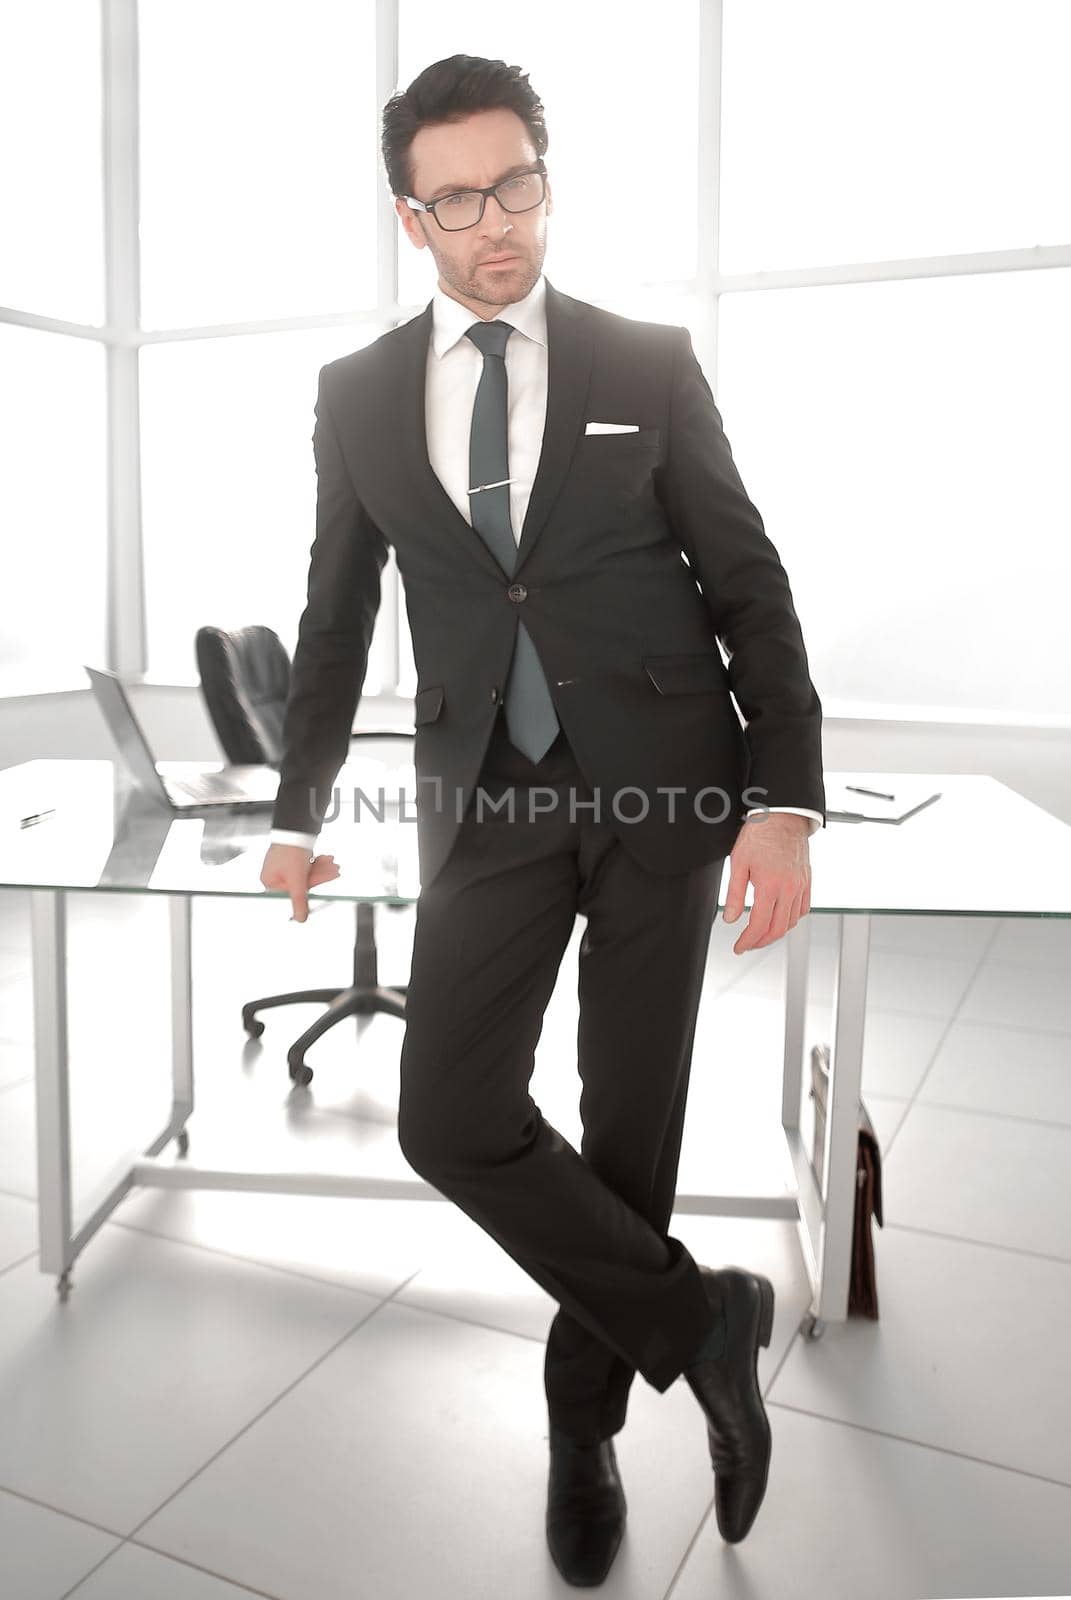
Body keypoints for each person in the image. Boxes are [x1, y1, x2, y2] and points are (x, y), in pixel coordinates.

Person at [260, 54, 825, 1588]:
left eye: (516, 185)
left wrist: (784, 800)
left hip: (666, 792)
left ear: (547, 183)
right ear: (411, 215)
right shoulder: (360, 394)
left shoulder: (645, 362)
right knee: (453, 1117)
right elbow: (334, 616)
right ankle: (697, 1319)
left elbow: (747, 582)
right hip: (486, 805)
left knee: (628, 1140)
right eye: (457, 197)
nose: (493, 221)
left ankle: (582, 1441)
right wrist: (300, 808)